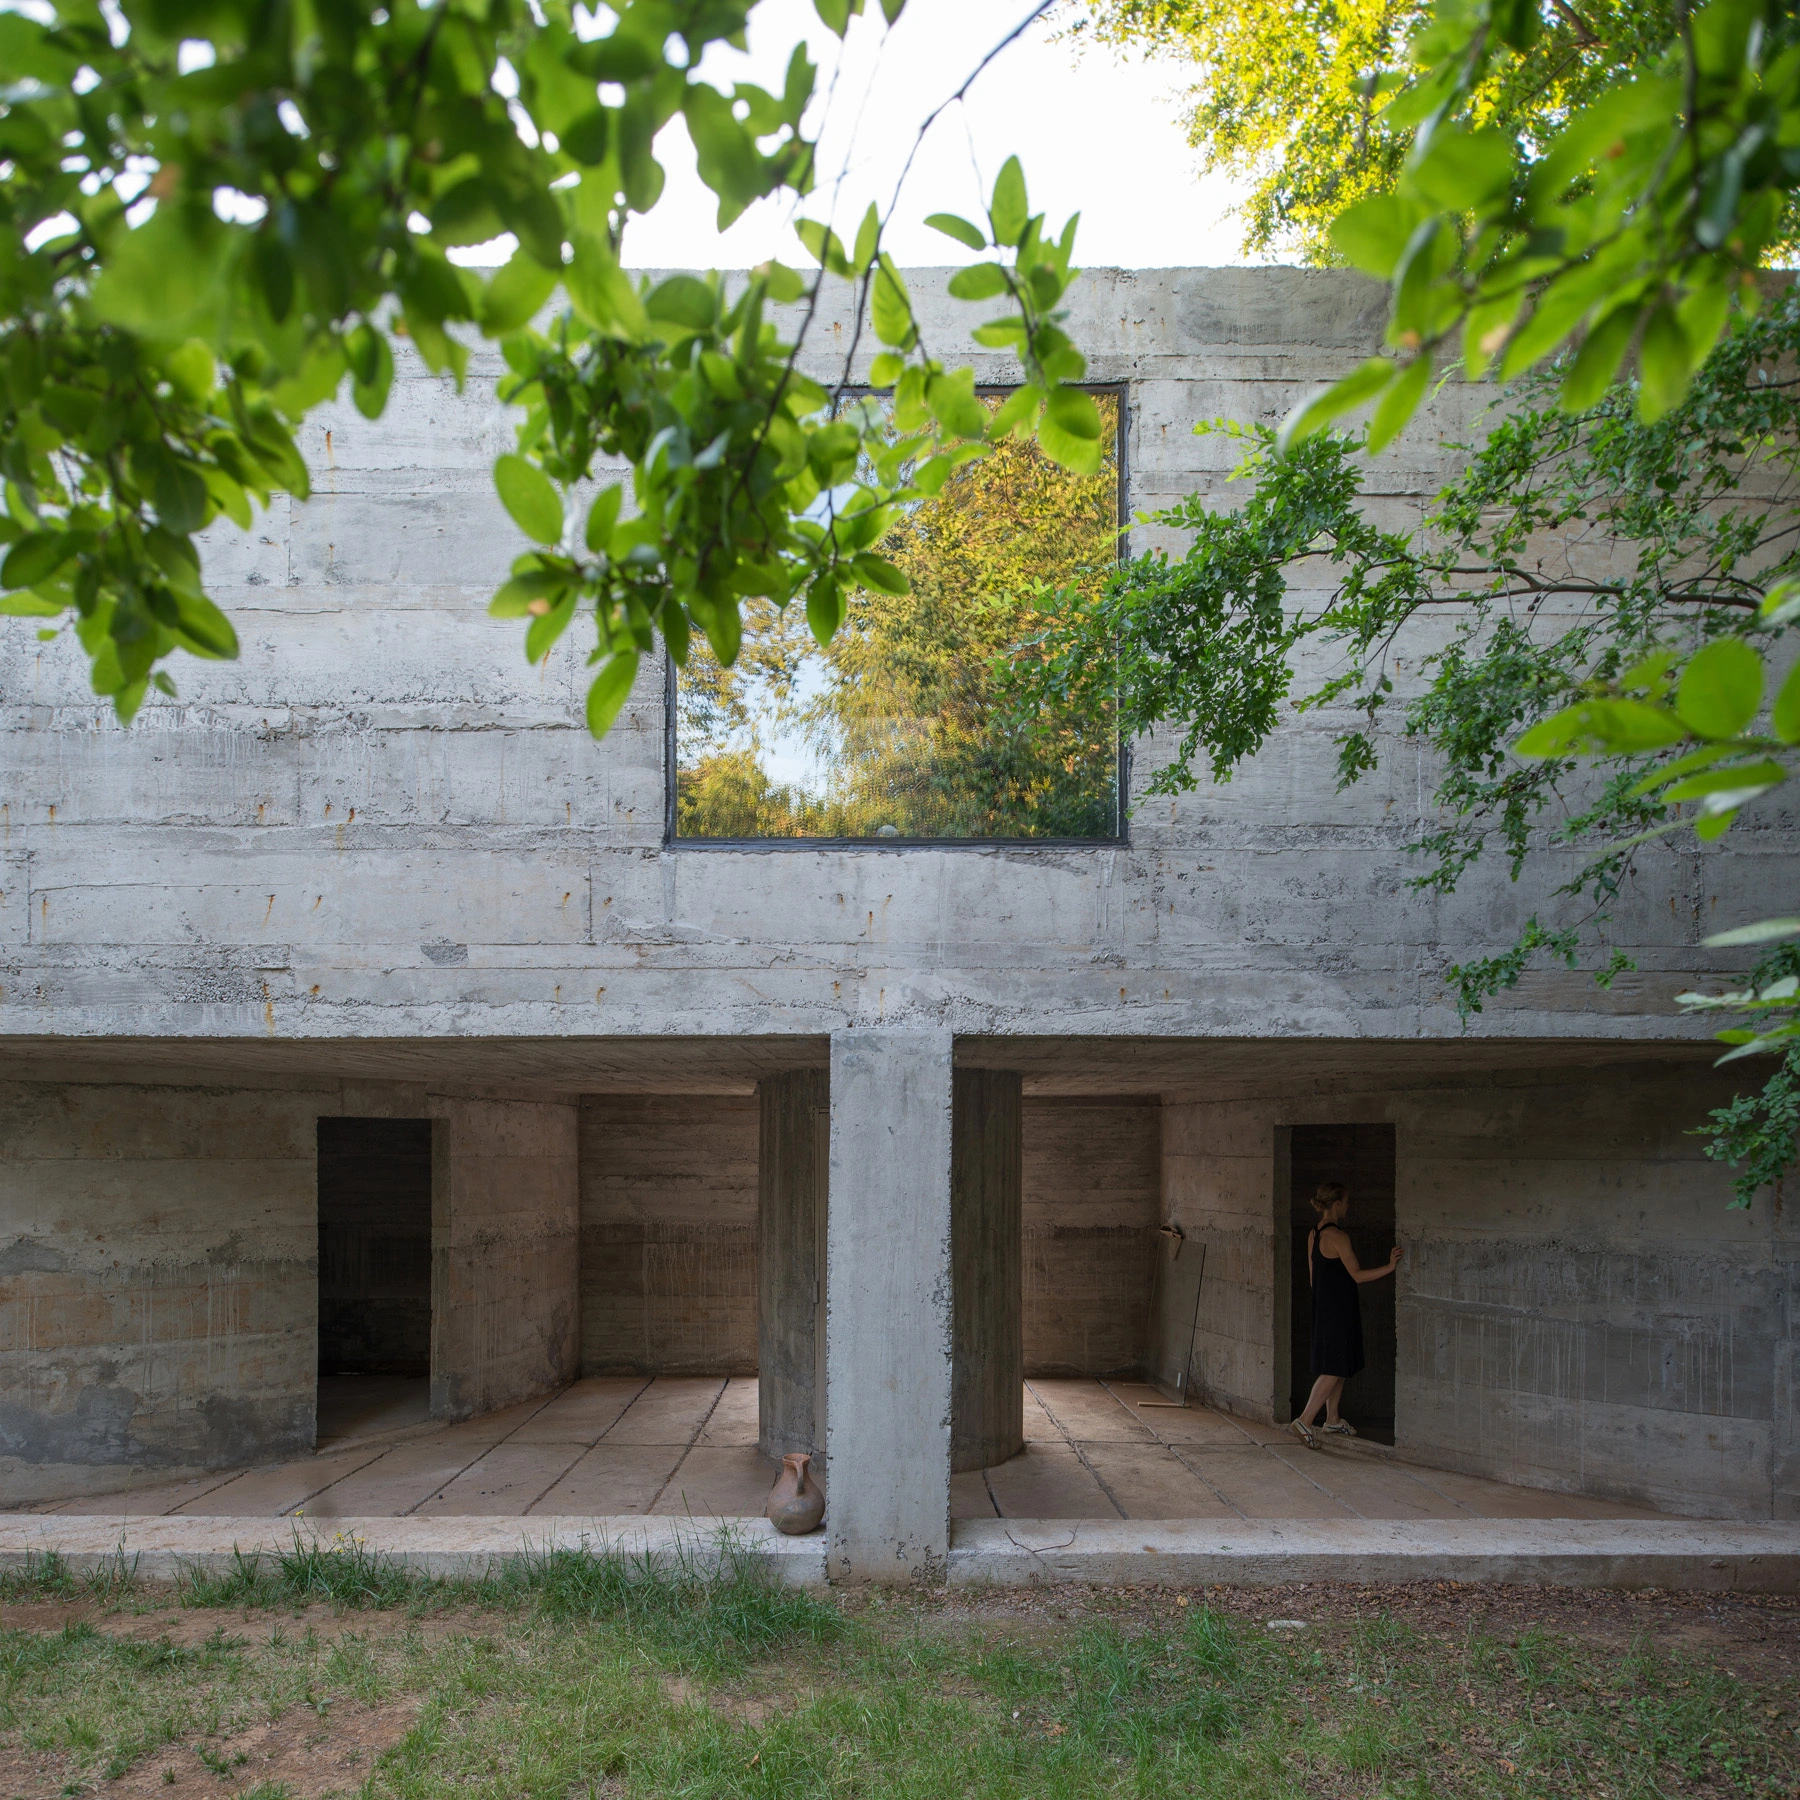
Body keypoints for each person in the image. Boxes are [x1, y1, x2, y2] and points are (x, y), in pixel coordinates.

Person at [1290, 1181, 1401, 1449]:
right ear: (1337, 1204)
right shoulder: (1338, 1236)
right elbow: (1358, 1276)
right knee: (1333, 1368)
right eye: (1347, 1202)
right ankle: (1305, 1420)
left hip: (1324, 1307)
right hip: (1338, 1310)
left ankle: (1332, 1419)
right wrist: (1390, 1267)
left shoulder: (1314, 1233)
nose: (1348, 1207)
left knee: (1338, 1365)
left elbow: (1314, 1280)